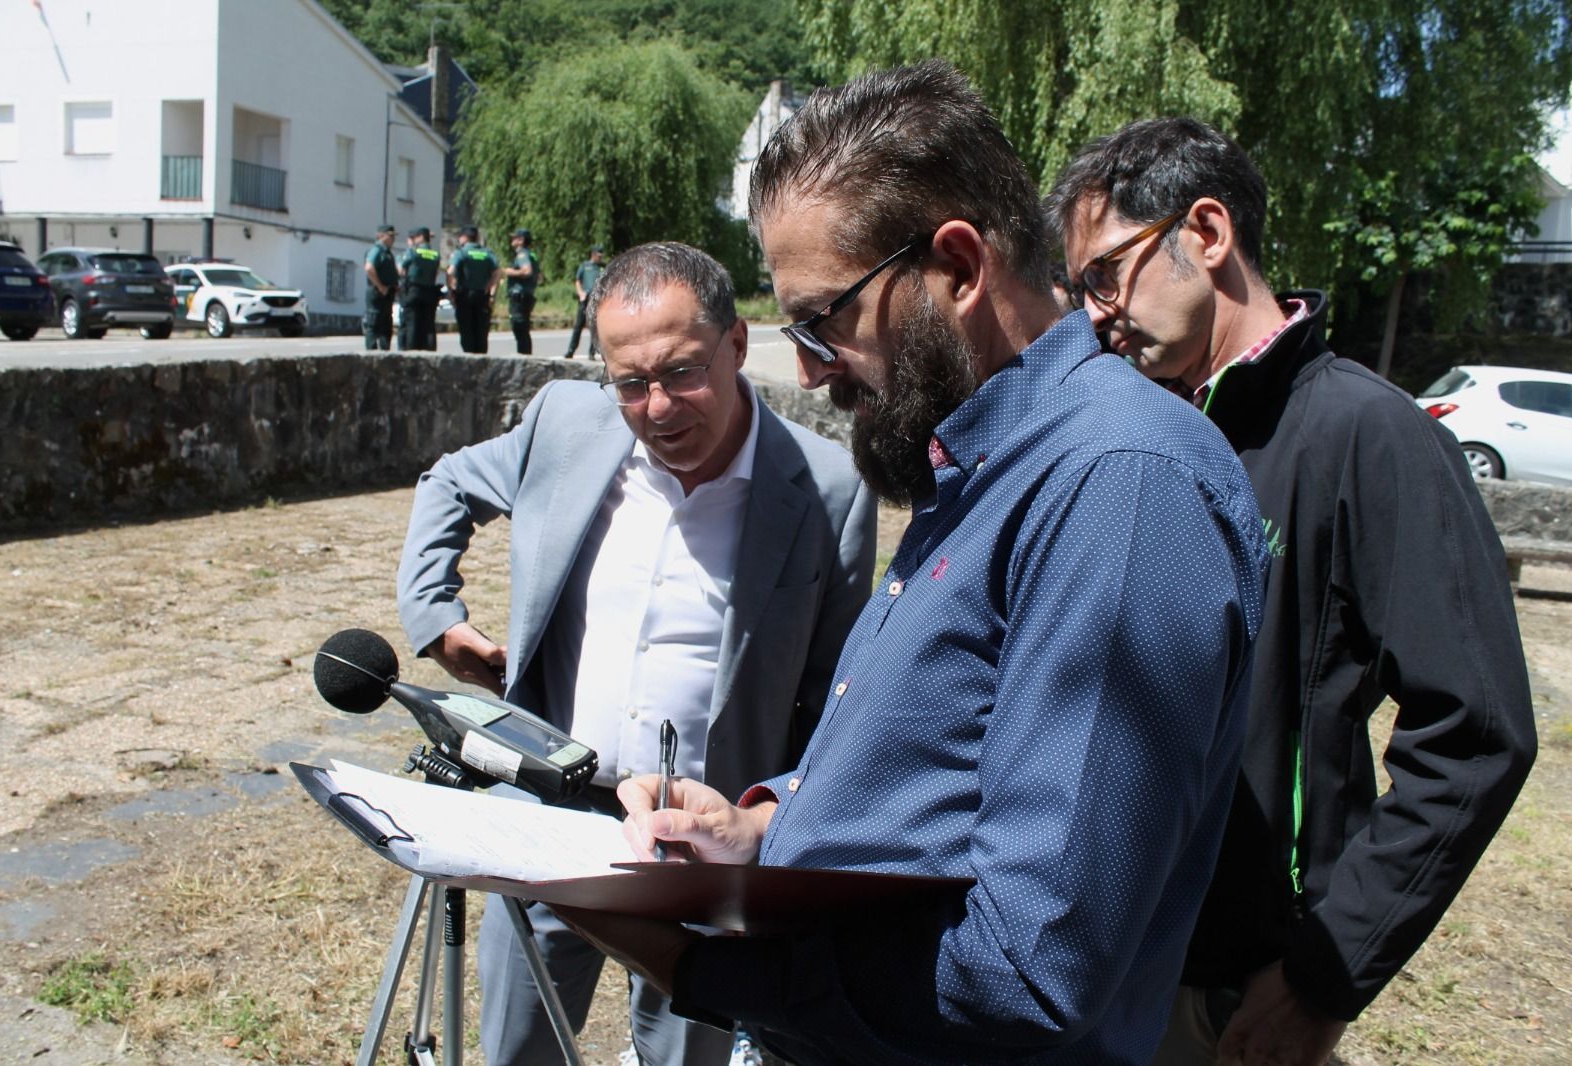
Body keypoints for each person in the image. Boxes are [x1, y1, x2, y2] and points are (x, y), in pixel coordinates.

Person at [554, 61, 1272, 1066]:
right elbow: (944, 759)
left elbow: (1028, 965)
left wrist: (696, 968)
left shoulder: (1118, 483)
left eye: (823, 319)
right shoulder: (978, 457)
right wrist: (763, 823)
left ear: (960, 268)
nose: (804, 366)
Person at [1046, 117, 1537, 1066]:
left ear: (1209, 233)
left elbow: (1476, 732)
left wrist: (1327, 969)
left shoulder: (1370, 436)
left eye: (1106, 273)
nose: (1095, 313)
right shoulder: (1142, 431)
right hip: (1095, 975)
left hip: (1228, 1000)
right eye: (1080, 290)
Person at [396, 241, 877, 1066]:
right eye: (631, 383)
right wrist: (437, 617)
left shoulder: (832, 489)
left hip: (700, 848)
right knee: (517, 1049)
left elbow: (833, 700)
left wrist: (773, 837)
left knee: (686, 1056)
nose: (657, 407)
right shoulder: (564, 425)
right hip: (549, 819)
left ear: (735, 347)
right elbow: (449, 483)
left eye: (682, 372)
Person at [448, 225, 501, 355]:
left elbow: (450, 272)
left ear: (465, 237)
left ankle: (470, 359)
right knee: (481, 331)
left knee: (467, 331)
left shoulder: (461, 253)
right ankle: (481, 361)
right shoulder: (487, 253)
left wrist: (452, 291)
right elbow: (498, 273)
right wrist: (490, 289)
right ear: (476, 238)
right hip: (482, 296)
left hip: (465, 296)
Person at [397, 226, 443, 351]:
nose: (414, 240)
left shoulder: (413, 252)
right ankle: (430, 350)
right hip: (430, 291)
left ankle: (412, 352)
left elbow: (401, 270)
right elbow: (437, 271)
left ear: (421, 237)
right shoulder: (436, 254)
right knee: (429, 325)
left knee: (412, 323)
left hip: (414, 290)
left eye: (415, 237)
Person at [503, 226, 541, 354]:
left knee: (519, 328)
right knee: (524, 329)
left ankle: (524, 358)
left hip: (519, 296)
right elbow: (540, 276)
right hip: (528, 295)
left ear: (521, 240)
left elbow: (527, 271)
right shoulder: (532, 255)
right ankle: (526, 356)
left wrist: (509, 271)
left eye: (515, 237)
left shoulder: (522, 254)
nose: (512, 240)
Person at [565, 243, 605, 359]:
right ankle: (571, 350)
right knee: (578, 326)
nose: (600, 257)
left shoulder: (603, 267)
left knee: (594, 327)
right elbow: (577, 280)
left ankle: (591, 353)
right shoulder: (584, 266)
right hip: (585, 299)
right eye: (598, 254)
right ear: (593, 254)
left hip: (597, 300)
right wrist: (580, 292)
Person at [363, 223, 398, 351]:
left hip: (387, 294)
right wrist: (380, 286)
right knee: (373, 324)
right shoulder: (377, 250)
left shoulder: (387, 252)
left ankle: (385, 354)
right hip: (377, 292)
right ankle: (371, 356)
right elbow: (369, 268)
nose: (393, 239)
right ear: (381, 236)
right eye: (390, 236)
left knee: (386, 326)